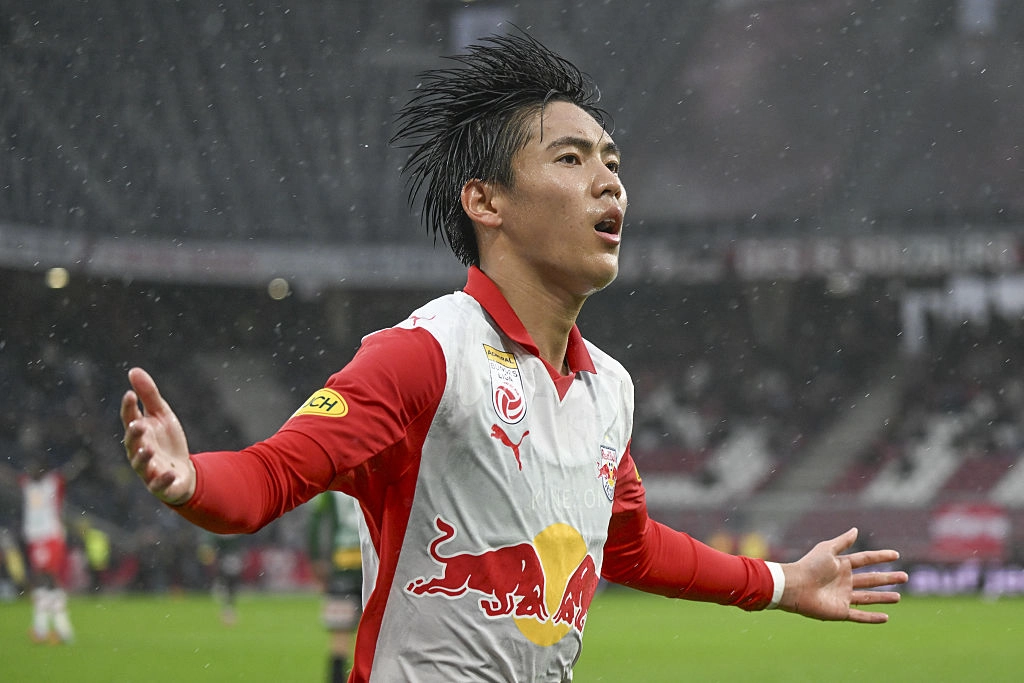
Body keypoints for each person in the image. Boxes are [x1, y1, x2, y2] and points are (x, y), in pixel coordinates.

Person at [120, 31, 908, 682]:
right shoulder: (425, 354)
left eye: (612, 162)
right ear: (485, 201)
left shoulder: (610, 387)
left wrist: (781, 581)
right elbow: (270, 475)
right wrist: (191, 479)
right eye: (571, 159)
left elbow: (629, 543)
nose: (610, 183)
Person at [307, 491, 364, 683]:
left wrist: (316, 559)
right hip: (372, 563)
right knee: (377, 631)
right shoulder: (376, 477)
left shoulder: (332, 489)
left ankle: (337, 678)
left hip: (342, 564)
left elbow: (316, 524)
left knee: (340, 634)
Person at [19, 460, 76, 644]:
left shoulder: (52, 483)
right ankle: (42, 628)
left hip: (50, 535)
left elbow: (69, 473)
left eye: (36, 469)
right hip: (34, 538)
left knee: (50, 577)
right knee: (41, 579)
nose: (32, 471)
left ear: (44, 471)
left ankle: (62, 629)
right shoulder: (27, 484)